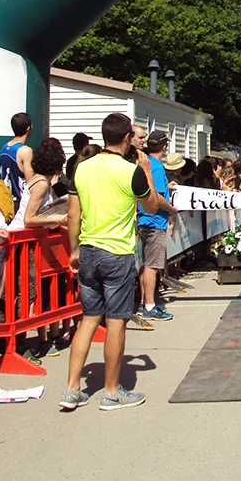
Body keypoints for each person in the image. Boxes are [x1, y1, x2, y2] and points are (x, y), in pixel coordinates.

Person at [60, 112, 158, 411]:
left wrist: (74, 249)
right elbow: (151, 205)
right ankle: (112, 391)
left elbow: (73, 213)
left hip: (89, 248)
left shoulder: (83, 168)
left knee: (88, 318)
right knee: (116, 321)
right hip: (117, 251)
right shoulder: (131, 171)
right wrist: (147, 170)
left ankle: (72, 388)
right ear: (127, 137)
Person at [9, 137, 70, 358]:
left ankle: (23, 342)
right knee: (28, 291)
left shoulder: (38, 180)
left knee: (26, 290)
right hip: (22, 240)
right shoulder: (42, 184)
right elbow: (29, 218)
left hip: (26, 239)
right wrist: (59, 219)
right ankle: (20, 344)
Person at [138, 130, 177, 322]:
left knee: (145, 265)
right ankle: (149, 305)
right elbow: (158, 197)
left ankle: (144, 301)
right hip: (155, 220)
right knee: (152, 266)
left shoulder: (145, 163)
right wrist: (171, 209)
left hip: (143, 218)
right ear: (164, 146)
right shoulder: (157, 167)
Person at [0, 112, 34, 208]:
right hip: (20, 203)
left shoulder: (4, 147)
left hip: (6, 201)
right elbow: (31, 182)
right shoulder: (25, 151)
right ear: (28, 128)